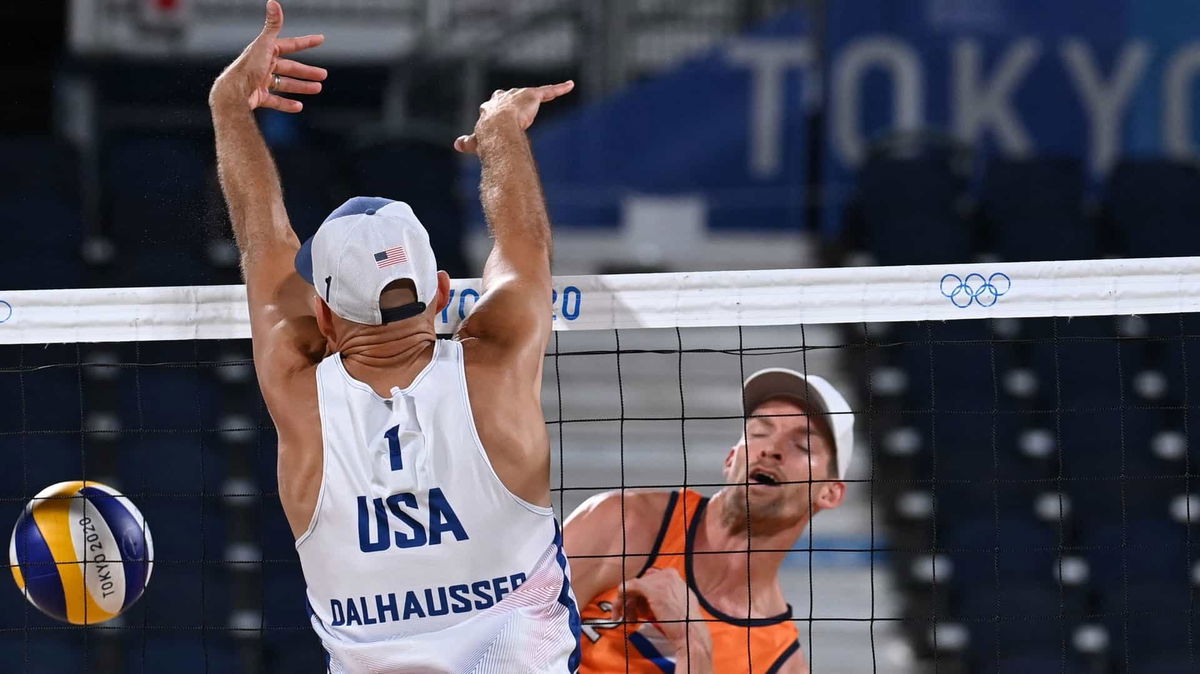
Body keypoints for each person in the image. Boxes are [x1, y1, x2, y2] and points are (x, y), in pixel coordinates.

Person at [208, 2, 580, 671]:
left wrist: (230, 108)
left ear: (323, 318)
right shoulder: (494, 368)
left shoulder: (299, 391)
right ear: (441, 291)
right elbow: (526, 247)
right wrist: (501, 134)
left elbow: (263, 241)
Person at [564, 368, 854, 673]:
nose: (771, 449)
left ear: (830, 493)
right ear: (731, 459)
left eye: (802, 446)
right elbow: (515, 642)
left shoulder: (779, 663)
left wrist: (692, 640)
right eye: (759, 432)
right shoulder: (624, 521)